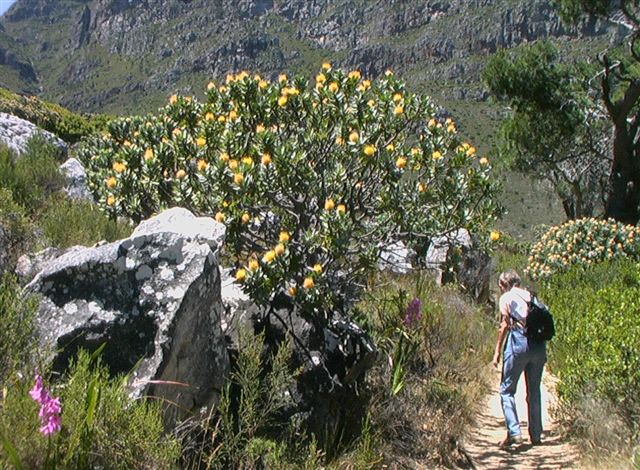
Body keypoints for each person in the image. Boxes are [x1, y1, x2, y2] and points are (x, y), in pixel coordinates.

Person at [492, 269, 546, 448]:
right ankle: (536, 434)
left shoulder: (507, 298)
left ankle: (514, 432)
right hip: (538, 346)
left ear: (503, 284)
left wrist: (497, 351)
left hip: (518, 343)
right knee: (534, 390)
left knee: (507, 390)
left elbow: (505, 325)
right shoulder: (532, 296)